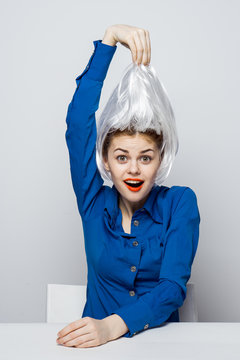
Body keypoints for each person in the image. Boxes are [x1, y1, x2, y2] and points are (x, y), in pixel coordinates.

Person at [56, 24, 200, 348]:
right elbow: (78, 123)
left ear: (160, 159)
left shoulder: (180, 203)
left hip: (162, 349)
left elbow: (172, 287)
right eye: (122, 157)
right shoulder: (94, 204)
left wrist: (111, 327)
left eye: (145, 158)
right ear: (105, 160)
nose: (133, 170)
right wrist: (109, 39)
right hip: (95, 353)